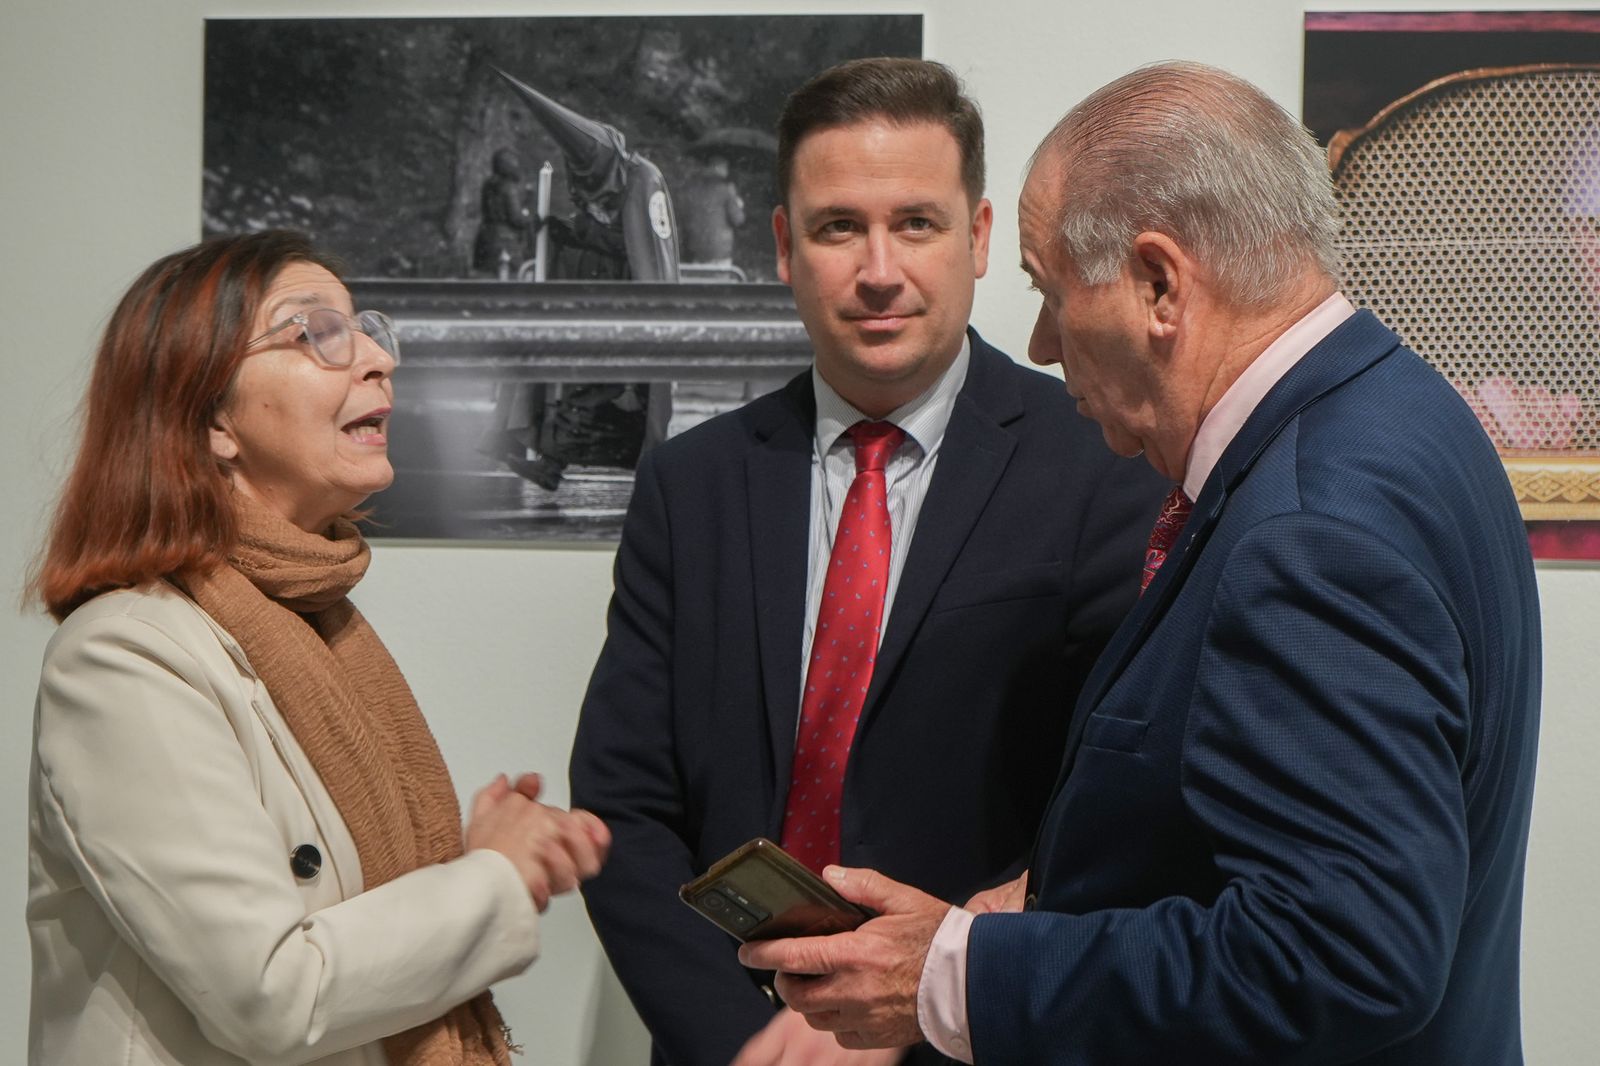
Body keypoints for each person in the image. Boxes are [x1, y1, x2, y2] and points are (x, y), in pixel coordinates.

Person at [741, 61, 1543, 1066]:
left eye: (1048, 290)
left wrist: (953, 973)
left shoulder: (1307, 528)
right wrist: (1032, 908)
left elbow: (1343, 954)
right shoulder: (1397, 407)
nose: (1038, 342)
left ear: (1160, 285)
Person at [568, 57, 1165, 1066]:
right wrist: (745, 1037)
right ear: (784, 248)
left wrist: (931, 994)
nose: (878, 268)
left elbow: (1132, 811)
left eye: (915, 223)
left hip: (978, 1040)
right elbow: (621, 799)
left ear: (977, 239)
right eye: (838, 226)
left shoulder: (1104, 470)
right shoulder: (693, 485)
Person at [26, 230, 611, 1066]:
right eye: (315, 332)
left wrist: (487, 860)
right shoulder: (122, 655)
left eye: (364, 328)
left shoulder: (317, 625)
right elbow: (268, 994)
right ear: (212, 418)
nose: (376, 357)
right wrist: (491, 879)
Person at [472, 147, 534, 277]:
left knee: (488, 282)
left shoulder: (488, 185)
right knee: (507, 281)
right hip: (505, 242)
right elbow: (516, 218)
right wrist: (530, 218)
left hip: (485, 239)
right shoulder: (508, 187)